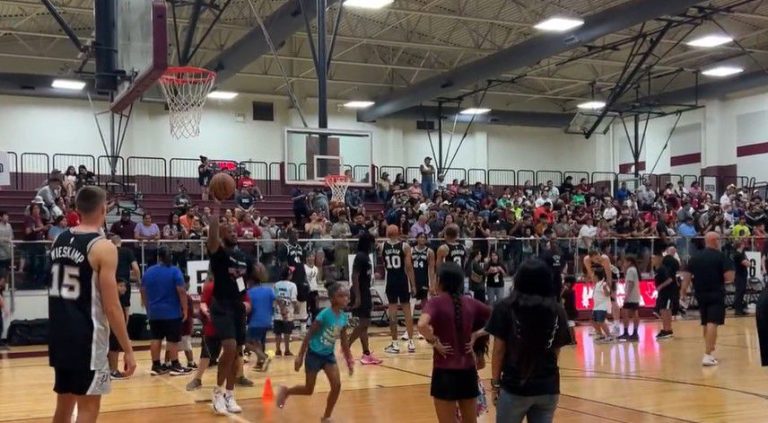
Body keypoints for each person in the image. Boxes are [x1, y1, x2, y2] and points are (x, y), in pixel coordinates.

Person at [48, 186, 136, 423]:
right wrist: (128, 349)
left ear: (77, 209)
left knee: (64, 406)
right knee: (88, 407)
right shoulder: (103, 247)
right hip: (87, 336)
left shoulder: (59, 239)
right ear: (104, 208)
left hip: (59, 334)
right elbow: (112, 306)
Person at [483, 259, 571, 423]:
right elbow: (555, 350)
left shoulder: (505, 307)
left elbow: (498, 351)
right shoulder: (557, 310)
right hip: (548, 387)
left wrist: (495, 385)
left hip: (515, 386)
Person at [417, 262, 490, 423]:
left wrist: (434, 341)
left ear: (440, 281)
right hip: (468, 373)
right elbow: (500, 317)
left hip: (444, 373)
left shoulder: (435, 302)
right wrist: (477, 335)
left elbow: (422, 325)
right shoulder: (471, 302)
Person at [276, 283, 355, 423]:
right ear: (332, 299)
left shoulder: (343, 318)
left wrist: (349, 360)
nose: (345, 299)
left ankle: (326, 417)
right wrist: (300, 356)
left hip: (328, 356)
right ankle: (286, 391)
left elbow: (344, 342)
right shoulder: (324, 315)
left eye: (347, 296)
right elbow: (309, 335)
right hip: (314, 354)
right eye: (341, 296)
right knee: (308, 389)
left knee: (336, 386)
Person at [206, 201, 249, 414]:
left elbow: (243, 283)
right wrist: (216, 210)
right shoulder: (219, 252)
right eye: (228, 230)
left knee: (237, 352)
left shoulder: (242, 257)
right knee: (230, 347)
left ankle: (229, 395)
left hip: (237, 306)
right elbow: (212, 236)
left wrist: (246, 300)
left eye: (235, 229)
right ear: (222, 235)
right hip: (220, 305)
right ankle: (217, 393)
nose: (234, 232)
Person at [682, 232, 735, 366]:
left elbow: (687, 276)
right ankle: (707, 354)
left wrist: (683, 291)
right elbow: (730, 277)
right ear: (714, 240)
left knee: (705, 322)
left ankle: (709, 349)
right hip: (716, 293)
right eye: (719, 239)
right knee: (713, 322)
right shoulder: (721, 256)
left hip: (700, 294)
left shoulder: (695, 257)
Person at [140, 247, 190, 376]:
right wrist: (185, 309)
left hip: (154, 312)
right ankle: (175, 365)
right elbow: (181, 291)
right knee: (172, 339)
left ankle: (156, 365)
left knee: (156, 338)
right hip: (171, 311)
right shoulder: (175, 271)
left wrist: (148, 307)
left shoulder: (148, 271)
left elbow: (143, 291)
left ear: (159, 257)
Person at [107, 236, 140, 379]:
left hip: (107, 286)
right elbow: (136, 269)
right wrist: (136, 280)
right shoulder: (127, 251)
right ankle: (122, 335)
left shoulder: (108, 252)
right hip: (122, 284)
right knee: (123, 313)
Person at [381, 225, 417, 354]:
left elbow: (384, 265)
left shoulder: (382, 246)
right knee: (407, 312)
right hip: (402, 280)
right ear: (398, 232)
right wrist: (413, 285)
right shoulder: (405, 246)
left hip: (391, 280)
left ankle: (395, 343)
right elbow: (408, 267)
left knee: (392, 313)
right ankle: (411, 342)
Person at [348, 232, 383, 365]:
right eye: (372, 242)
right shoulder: (360, 256)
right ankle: (346, 346)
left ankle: (366, 353)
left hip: (365, 290)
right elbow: (354, 276)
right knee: (364, 323)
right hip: (361, 291)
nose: (374, 245)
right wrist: (357, 296)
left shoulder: (366, 257)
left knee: (364, 325)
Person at [246, 262, 275, 372]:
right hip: (267, 322)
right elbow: (277, 301)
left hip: (255, 322)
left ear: (251, 281)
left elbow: (248, 308)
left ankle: (264, 357)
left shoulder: (249, 293)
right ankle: (260, 363)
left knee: (246, 342)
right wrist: (283, 311)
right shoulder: (269, 290)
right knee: (259, 342)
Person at [655, 249, 680, 340]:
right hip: (664, 292)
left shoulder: (663, 269)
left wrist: (660, 286)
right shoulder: (660, 269)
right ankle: (666, 329)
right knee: (663, 310)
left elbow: (669, 280)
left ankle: (668, 329)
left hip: (668, 292)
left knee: (666, 310)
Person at [274, 265, 298, 356]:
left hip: (277, 312)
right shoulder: (292, 285)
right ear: (289, 275)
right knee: (287, 332)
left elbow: (275, 298)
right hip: (288, 312)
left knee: (278, 332)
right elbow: (293, 299)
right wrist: (296, 308)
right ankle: (287, 350)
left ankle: (277, 349)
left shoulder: (276, 284)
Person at [618, 255, 640, 342]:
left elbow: (630, 284)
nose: (624, 264)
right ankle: (634, 333)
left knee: (625, 313)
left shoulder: (631, 270)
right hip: (634, 296)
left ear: (629, 262)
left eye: (625, 262)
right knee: (633, 313)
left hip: (631, 296)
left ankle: (627, 332)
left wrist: (626, 296)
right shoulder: (633, 270)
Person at [591, 268, 613, 343]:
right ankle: (600, 334)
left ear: (596, 275)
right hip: (596, 306)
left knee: (601, 321)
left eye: (593, 274)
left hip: (602, 306)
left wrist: (605, 288)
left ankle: (609, 335)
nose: (592, 276)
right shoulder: (597, 284)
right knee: (593, 320)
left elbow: (608, 294)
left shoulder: (603, 284)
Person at [732, 239, 750, 316]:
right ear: (740, 245)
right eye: (743, 243)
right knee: (739, 292)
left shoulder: (742, 254)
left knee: (742, 292)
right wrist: (747, 262)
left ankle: (740, 309)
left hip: (742, 275)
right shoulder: (737, 254)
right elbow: (747, 263)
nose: (744, 245)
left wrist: (747, 261)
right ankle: (737, 310)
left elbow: (748, 262)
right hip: (739, 276)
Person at [561, 276, 578, 344]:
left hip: (569, 311)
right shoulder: (571, 291)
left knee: (570, 326)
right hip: (571, 310)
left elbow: (560, 297)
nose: (564, 283)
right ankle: (572, 340)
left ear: (569, 283)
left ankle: (573, 340)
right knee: (570, 325)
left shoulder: (567, 291)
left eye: (565, 282)